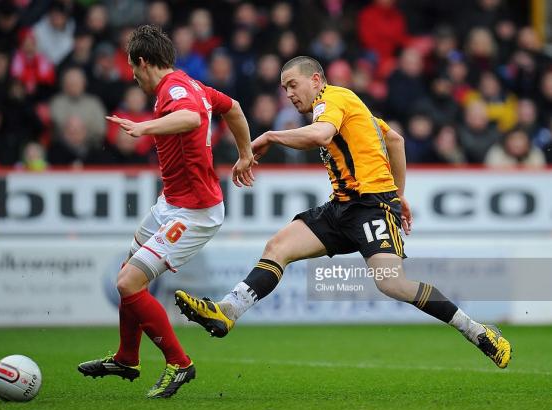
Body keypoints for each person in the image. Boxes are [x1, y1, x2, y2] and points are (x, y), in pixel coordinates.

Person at [176, 56, 511, 371]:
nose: (289, 94)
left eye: (293, 85)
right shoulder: (347, 106)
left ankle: (478, 332)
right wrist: (401, 193)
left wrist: (269, 136)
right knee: (278, 247)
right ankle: (227, 312)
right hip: (342, 207)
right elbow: (394, 139)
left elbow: (322, 135)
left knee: (391, 284)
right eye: (284, 89)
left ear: (316, 79)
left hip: (371, 206)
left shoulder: (331, 99)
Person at [77, 25, 255, 398]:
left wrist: (144, 129)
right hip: (170, 204)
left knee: (127, 283)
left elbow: (190, 119)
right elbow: (233, 108)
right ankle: (127, 358)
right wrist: (244, 154)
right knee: (130, 271)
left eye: (132, 67)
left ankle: (180, 363)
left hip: (194, 213)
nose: (132, 76)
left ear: (143, 62)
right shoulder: (190, 84)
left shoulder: (174, 90)